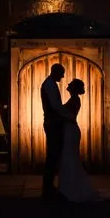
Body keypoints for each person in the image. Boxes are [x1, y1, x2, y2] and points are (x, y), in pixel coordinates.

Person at [57, 78, 106, 203]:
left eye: (70, 84)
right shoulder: (73, 99)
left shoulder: (74, 100)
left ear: (74, 88)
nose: (68, 85)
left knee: (70, 157)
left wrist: (60, 114)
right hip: (70, 129)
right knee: (70, 157)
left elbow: (71, 115)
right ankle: (69, 186)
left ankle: (71, 188)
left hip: (71, 130)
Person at [40, 63, 73, 202]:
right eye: (62, 73)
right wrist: (66, 114)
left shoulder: (50, 84)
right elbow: (55, 106)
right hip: (52, 123)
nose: (63, 76)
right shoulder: (50, 85)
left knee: (53, 154)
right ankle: (48, 186)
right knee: (53, 154)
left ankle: (49, 185)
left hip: (52, 122)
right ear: (55, 72)